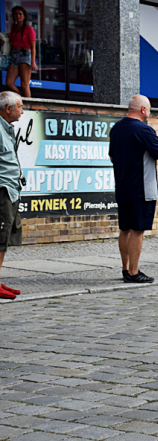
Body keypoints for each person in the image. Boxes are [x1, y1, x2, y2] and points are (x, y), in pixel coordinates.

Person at [109, 95, 158, 283]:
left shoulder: (116, 128)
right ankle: (134, 273)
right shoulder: (144, 130)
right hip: (142, 188)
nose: (149, 113)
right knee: (137, 230)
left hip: (123, 186)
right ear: (143, 110)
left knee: (125, 229)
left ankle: (125, 269)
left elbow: (112, 157)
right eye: (149, 109)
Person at [0, 92, 24, 300]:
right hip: (2, 190)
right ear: (8, 109)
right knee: (0, 237)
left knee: (5, 237)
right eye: (20, 107)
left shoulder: (6, 128)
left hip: (11, 189)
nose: (22, 111)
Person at [6, 6, 36, 98]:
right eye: (15, 14)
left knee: (24, 84)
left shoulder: (28, 29)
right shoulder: (13, 27)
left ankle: (29, 106)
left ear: (24, 16)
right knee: (9, 82)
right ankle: (21, 100)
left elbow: (33, 47)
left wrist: (33, 62)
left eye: (20, 14)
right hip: (14, 55)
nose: (18, 16)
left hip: (24, 55)